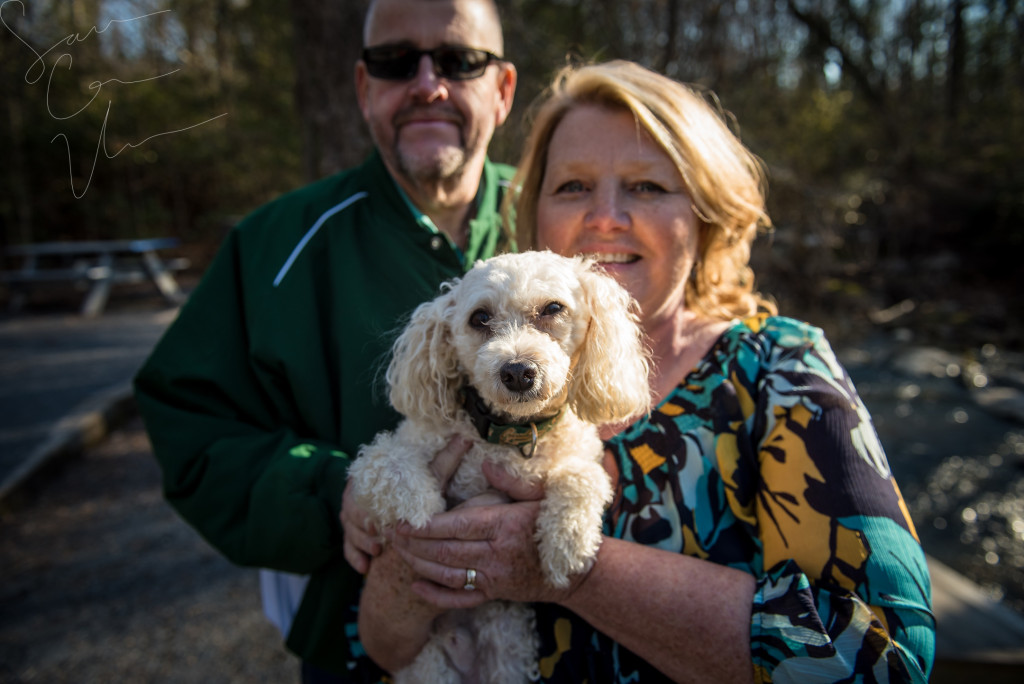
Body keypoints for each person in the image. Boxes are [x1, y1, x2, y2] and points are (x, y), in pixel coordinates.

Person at [346, 61, 936, 682]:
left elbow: (888, 661)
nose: (605, 217)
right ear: (536, 211)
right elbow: (381, 650)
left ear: (706, 213)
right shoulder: (456, 390)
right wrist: (404, 549)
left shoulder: (781, 373)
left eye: (647, 187)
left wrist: (584, 576)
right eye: (572, 186)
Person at [132, 0, 516, 681]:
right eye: (396, 62)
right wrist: (333, 489)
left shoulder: (568, 217)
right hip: (360, 649)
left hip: (557, 640)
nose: (428, 84)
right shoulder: (274, 246)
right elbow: (189, 425)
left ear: (503, 88)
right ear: (365, 89)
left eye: (459, 61)